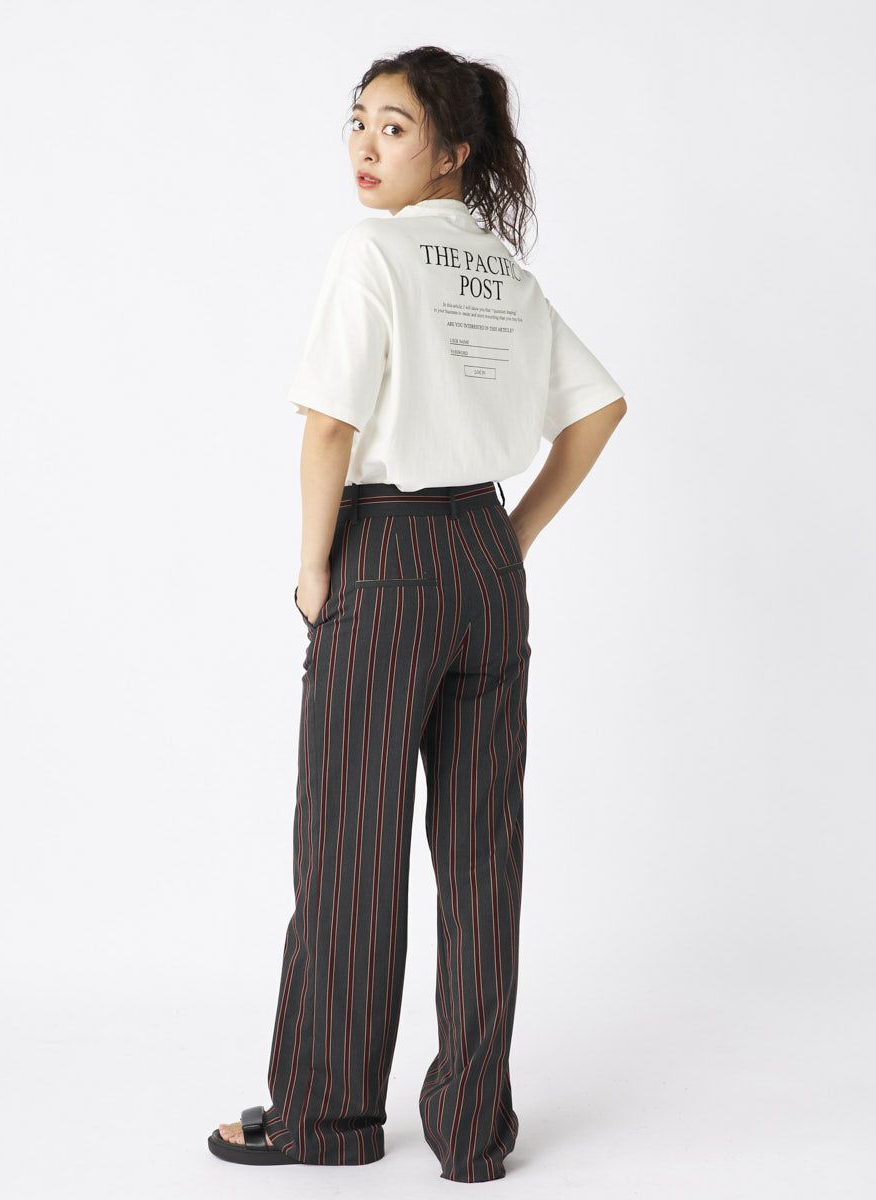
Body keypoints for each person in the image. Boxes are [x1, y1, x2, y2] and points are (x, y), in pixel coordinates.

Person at [208, 45, 627, 1183]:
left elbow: (328, 427)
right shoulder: (501, 269)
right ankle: (474, 1130)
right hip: (483, 559)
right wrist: (511, 538)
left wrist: (313, 569)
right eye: (357, 122)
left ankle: (326, 1119)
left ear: (452, 151)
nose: (363, 145)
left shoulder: (374, 251)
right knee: (483, 853)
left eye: (393, 127)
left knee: (352, 844)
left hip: (384, 556)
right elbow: (598, 408)